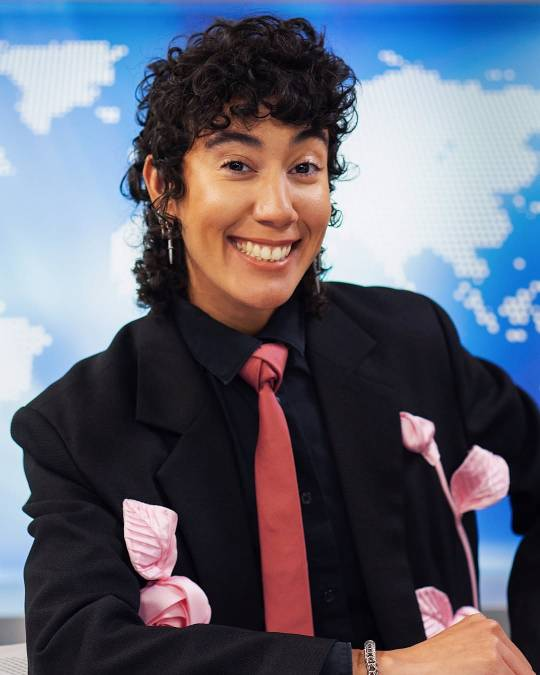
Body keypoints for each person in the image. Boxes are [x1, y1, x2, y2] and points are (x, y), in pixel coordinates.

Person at [11, 14, 539, 675]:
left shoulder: (414, 339)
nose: (278, 207)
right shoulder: (77, 425)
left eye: (304, 166)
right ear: (163, 186)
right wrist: (375, 670)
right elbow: (76, 653)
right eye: (238, 163)